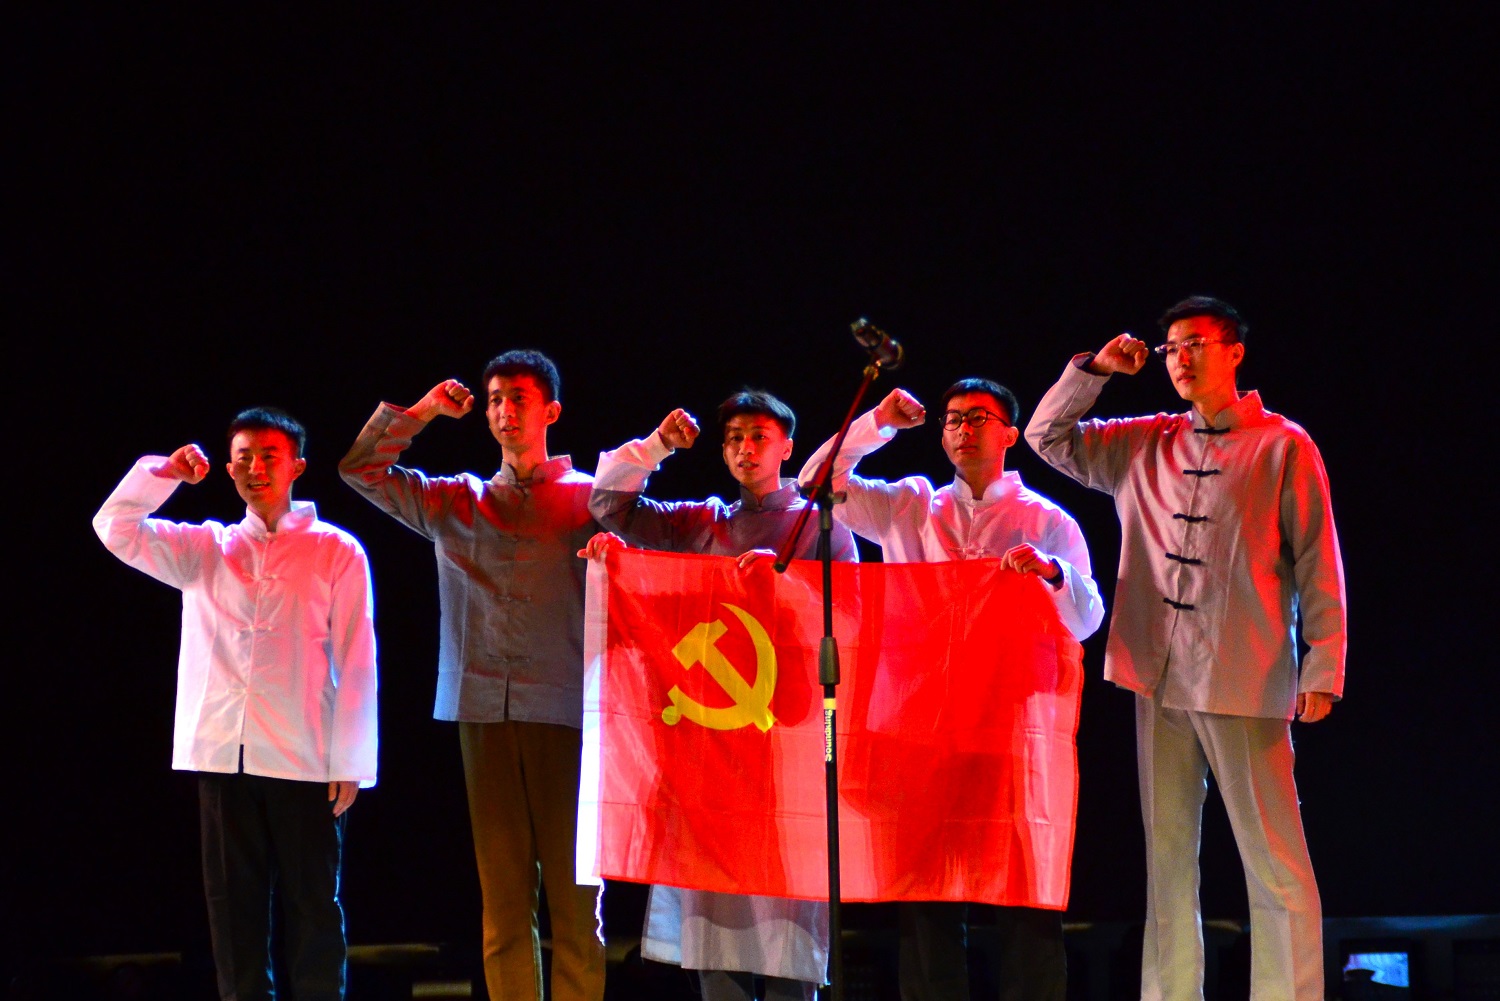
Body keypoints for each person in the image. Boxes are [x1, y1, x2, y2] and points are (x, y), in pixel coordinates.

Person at [1024, 296, 1345, 1001]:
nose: (1180, 358)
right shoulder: (1145, 442)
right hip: (1156, 675)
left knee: (1274, 861)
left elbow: (1317, 560)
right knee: (1166, 860)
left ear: (1234, 352)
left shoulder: (1283, 445)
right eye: (1171, 348)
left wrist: (1322, 665)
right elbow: (1045, 436)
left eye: (1195, 343)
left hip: (1245, 674)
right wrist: (1096, 370)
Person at [798, 379, 1105, 1001]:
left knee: (1023, 889)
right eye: (953, 419)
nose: (963, 429)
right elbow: (814, 482)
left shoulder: (1046, 520)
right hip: (920, 724)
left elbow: (1088, 619)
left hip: (1007, 725)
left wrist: (1052, 573)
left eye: (979, 418)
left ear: (1010, 433)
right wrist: (878, 422)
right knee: (926, 894)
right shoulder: (911, 507)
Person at [339, 351, 606, 1001]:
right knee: (504, 897)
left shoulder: (592, 497)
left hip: (566, 709)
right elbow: (361, 470)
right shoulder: (458, 499)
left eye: (518, 398)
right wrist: (424, 411)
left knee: (575, 896)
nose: (504, 410)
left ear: (551, 411)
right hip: (482, 707)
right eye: (494, 400)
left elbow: (659, 547)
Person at [93, 407, 378, 1001]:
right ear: (227, 469)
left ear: (297, 466)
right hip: (224, 754)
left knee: (314, 909)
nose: (255, 468)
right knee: (233, 913)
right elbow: (115, 527)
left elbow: (357, 657)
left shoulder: (337, 550)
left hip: (305, 756)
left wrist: (352, 760)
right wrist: (165, 475)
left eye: (270, 456)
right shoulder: (206, 546)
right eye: (243, 457)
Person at [583, 390, 856, 1001]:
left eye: (758, 436)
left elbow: (854, 616)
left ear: (788, 447)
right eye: (733, 438)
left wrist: (789, 588)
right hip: (709, 747)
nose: (744, 448)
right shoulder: (701, 523)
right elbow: (607, 503)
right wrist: (658, 445)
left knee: (786, 909)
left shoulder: (821, 525)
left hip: (788, 742)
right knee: (712, 912)